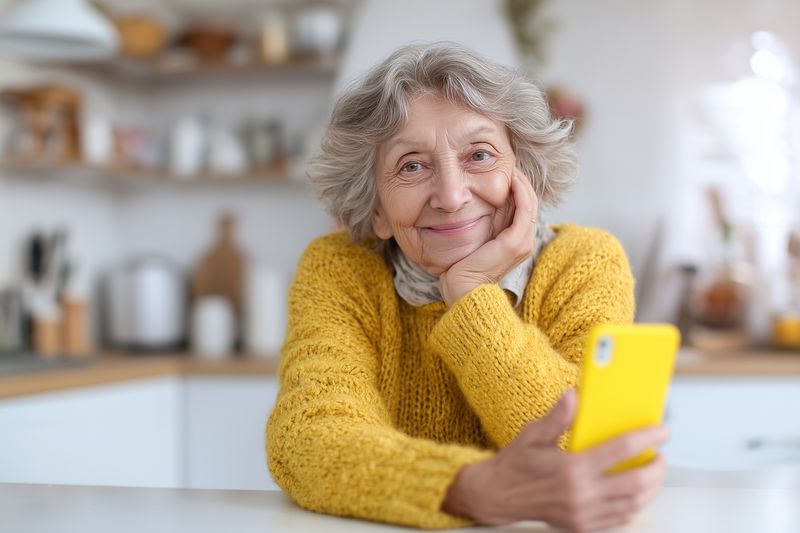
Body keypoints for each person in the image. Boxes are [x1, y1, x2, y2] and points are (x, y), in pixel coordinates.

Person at [266, 42, 668, 532]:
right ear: (376, 209)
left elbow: (586, 454)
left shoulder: (583, 262)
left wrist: (473, 295)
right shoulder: (341, 268)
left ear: (524, 175)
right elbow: (307, 439)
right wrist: (468, 488)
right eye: (411, 165)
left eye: (479, 154)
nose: (452, 196)